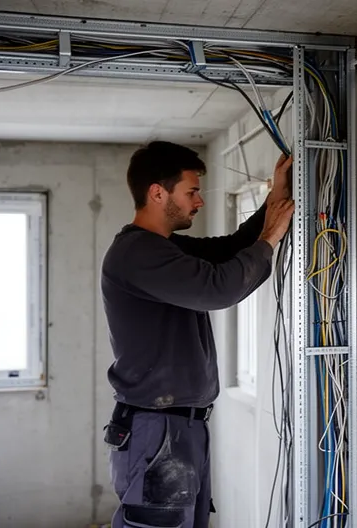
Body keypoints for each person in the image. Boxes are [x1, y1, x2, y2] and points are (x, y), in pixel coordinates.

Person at [99, 140, 295, 528]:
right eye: (191, 191)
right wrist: (270, 238)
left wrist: (277, 196)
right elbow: (218, 288)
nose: (199, 201)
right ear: (157, 192)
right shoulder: (136, 255)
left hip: (178, 429)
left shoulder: (163, 248)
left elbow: (229, 250)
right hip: (157, 433)